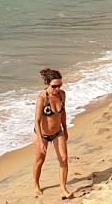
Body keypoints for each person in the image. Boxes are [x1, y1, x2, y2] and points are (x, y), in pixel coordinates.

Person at [32, 68, 73, 199]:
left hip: (57, 132)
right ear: (47, 84)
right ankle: (36, 185)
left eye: (59, 85)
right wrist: (40, 141)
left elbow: (63, 113)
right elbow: (37, 121)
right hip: (42, 134)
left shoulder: (62, 95)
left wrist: (65, 130)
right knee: (40, 160)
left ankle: (63, 189)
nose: (57, 89)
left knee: (64, 159)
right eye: (54, 86)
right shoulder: (42, 99)